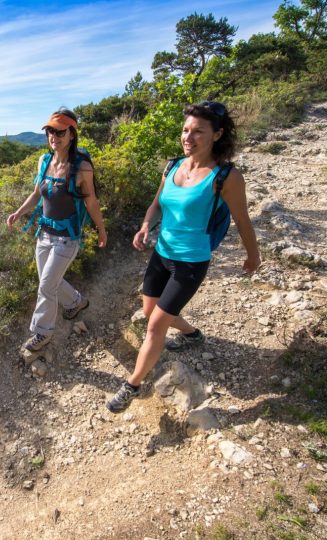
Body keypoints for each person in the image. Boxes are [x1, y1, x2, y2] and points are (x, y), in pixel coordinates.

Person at [106, 101, 261, 413]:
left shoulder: (226, 177)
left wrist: (253, 256)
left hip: (191, 261)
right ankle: (192, 334)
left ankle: (132, 385)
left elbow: (243, 220)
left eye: (198, 131)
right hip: (162, 253)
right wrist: (146, 225)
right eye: (186, 130)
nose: (188, 137)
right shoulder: (173, 166)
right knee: (149, 310)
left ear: (217, 135)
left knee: (155, 327)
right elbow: (157, 203)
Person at [6, 108, 107, 352]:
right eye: (50, 131)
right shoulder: (44, 161)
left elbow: (91, 202)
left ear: (72, 134)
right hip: (44, 234)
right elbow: (35, 193)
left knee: (46, 286)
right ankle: (76, 302)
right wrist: (19, 213)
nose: (54, 136)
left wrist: (101, 230)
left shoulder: (81, 167)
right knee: (47, 281)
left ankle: (43, 333)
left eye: (60, 131)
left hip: (67, 239)